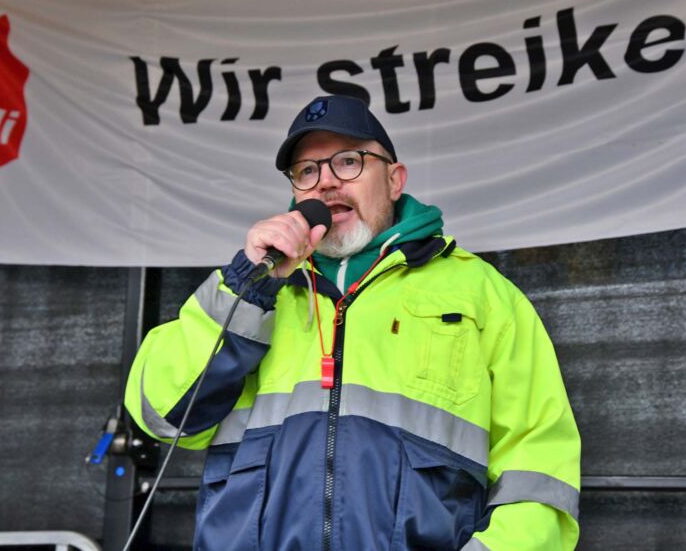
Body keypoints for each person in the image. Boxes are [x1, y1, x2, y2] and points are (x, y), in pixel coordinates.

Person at [125, 95, 581, 550]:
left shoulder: (483, 294)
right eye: (307, 171)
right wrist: (246, 284)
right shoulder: (255, 288)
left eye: (348, 161)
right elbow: (160, 414)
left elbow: (539, 474)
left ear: (395, 179)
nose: (325, 183)